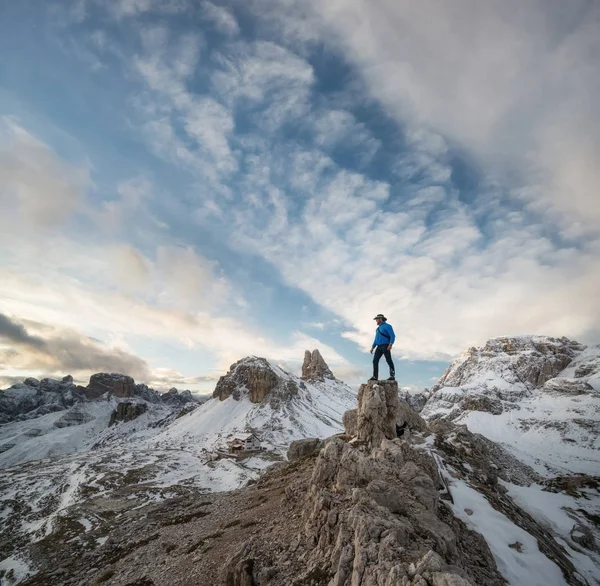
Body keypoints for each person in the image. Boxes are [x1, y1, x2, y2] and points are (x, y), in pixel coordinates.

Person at [369, 314, 395, 381]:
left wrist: (390, 344)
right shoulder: (377, 329)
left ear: (380, 319)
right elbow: (376, 339)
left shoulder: (388, 326)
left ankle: (392, 376)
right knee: (375, 361)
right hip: (379, 347)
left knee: (388, 360)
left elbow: (392, 336)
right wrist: (372, 347)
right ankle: (375, 376)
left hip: (386, 345)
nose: (376, 321)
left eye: (377, 319)